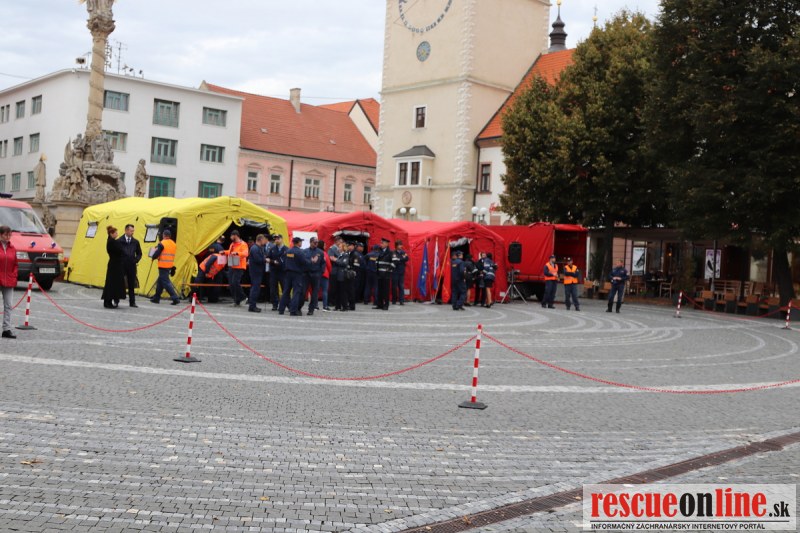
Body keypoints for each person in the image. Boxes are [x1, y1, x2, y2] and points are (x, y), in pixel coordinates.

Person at [149, 229, 181, 305]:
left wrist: (153, 257)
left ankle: (175, 298)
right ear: (169, 236)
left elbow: (157, 253)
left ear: (163, 235)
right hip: (169, 265)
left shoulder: (162, 243)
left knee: (166, 282)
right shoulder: (173, 244)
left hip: (163, 265)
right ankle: (156, 298)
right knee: (160, 282)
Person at [278, 236, 309, 315]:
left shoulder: (288, 251)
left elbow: (283, 261)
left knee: (286, 291)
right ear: (298, 243)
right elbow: (304, 262)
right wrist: (311, 261)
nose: (301, 243)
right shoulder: (300, 252)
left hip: (288, 273)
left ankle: (281, 309)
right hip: (297, 274)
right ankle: (293, 310)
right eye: (301, 241)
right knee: (296, 292)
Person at [0, 225, 19, 338]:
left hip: (9, 279)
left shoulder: (12, 248)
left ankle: (6, 329)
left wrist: (14, 275)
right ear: (0, 235)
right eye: (6, 235)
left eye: (9, 235)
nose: (8, 237)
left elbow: (15, 264)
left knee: (8, 305)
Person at [117, 223, 142, 308]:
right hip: (122, 265)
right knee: (120, 283)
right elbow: (116, 253)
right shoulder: (119, 241)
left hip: (131, 266)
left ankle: (132, 302)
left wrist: (136, 260)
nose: (132, 232)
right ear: (126, 230)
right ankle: (116, 300)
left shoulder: (135, 242)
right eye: (131, 231)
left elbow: (139, 253)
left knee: (131, 284)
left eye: (133, 231)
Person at [101, 226, 126, 308]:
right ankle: (108, 301)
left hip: (114, 264)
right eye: (115, 233)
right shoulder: (112, 242)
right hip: (115, 265)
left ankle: (108, 301)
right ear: (111, 234)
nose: (117, 234)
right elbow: (120, 250)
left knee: (111, 283)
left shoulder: (111, 241)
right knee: (112, 283)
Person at [223, 230, 248, 307]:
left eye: (231, 236)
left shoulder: (243, 244)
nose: (230, 237)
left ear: (235, 235)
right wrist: (224, 252)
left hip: (239, 266)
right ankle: (236, 301)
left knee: (235, 282)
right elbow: (230, 252)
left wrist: (237, 253)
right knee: (231, 284)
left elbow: (245, 254)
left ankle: (243, 297)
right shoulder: (232, 244)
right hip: (232, 265)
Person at [247, 234, 267, 312]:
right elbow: (258, 259)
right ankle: (252, 306)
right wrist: (265, 259)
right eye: (264, 240)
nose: (265, 241)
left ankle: (253, 305)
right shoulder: (255, 248)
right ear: (260, 239)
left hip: (258, 271)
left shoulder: (259, 248)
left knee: (256, 288)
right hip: (255, 271)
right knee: (255, 288)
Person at [304, 237, 325, 315]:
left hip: (316, 274)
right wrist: (310, 261)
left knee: (315, 293)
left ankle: (311, 309)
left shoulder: (320, 252)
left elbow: (323, 263)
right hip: (306, 274)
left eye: (317, 242)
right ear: (310, 242)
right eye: (314, 242)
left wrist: (320, 273)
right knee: (302, 291)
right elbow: (302, 262)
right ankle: (298, 307)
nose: (316, 244)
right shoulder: (305, 251)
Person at [267, 234, 287, 311]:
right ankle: (275, 304)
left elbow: (286, 261)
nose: (276, 240)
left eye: (278, 238)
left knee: (285, 288)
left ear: (281, 239)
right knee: (273, 289)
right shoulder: (272, 249)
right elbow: (268, 258)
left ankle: (287, 304)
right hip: (274, 271)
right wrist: (272, 261)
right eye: (275, 239)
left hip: (282, 272)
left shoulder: (286, 249)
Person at [374, 237, 394, 310]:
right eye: (381, 243)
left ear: (387, 244)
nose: (381, 244)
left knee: (386, 291)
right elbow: (377, 262)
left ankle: (386, 305)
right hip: (379, 274)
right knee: (380, 290)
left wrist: (389, 270)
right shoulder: (380, 251)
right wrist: (376, 270)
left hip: (386, 275)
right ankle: (380, 305)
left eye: (382, 243)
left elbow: (394, 263)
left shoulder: (390, 252)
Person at [391, 240, 409, 305]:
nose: (401, 246)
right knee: (394, 286)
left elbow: (407, 258)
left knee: (401, 286)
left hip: (401, 272)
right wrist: (401, 259)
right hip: (395, 272)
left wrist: (399, 259)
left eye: (401, 245)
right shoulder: (393, 252)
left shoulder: (403, 252)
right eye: (399, 245)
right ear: (396, 246)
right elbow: (394, 260)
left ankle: (401, 300)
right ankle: (394, 300)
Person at [347, 241, 363, 311]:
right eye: (348, 245)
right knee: (349, 290)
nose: (348, 247)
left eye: (349, 245)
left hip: (352, 275)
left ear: (353, 246)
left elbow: (356, 266)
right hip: (349, 274)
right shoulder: (350, 253)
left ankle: (352, 305)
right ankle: (350, 304)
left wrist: (351, 271)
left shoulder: (355, 254)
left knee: (352, 290)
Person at [319, 240, 332, 311]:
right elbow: (328, 264)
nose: (325, 246)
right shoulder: (325, 254)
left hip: (316, 273)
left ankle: (315, 305)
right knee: (324, 290)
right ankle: (325, 306)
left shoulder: (315, 252)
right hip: (324, 273)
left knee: (315, 290)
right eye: (324, 245)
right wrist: (330, 272)